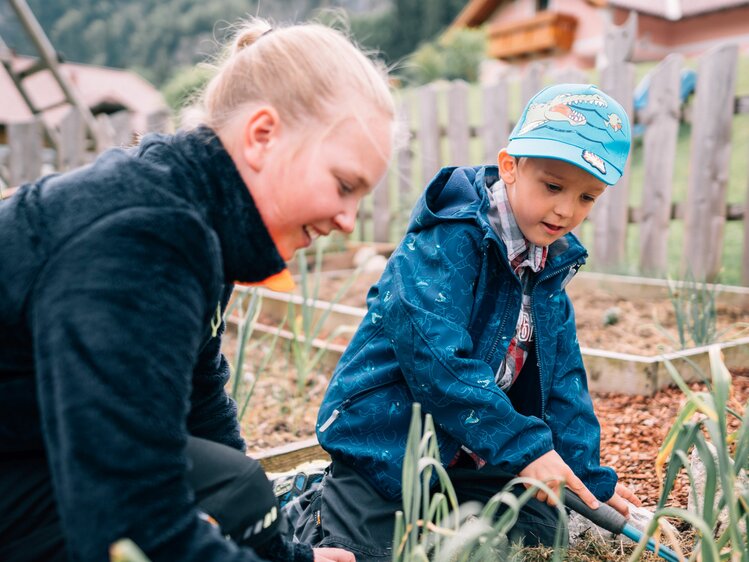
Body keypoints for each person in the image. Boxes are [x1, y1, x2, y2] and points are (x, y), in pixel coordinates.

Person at [0, 17, 394, 562]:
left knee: (236, 486)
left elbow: (200, 408)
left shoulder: (198, 215)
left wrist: (285, 554)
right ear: (263, 136)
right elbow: (129, 518)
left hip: (24, 443)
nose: (349, 220)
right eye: (344, 185)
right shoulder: (142, 240)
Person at [299, 83, 642, 559]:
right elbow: (436, 361)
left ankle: (438, 514)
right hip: (388, 443)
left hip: (472, 448)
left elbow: (563, 379)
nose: (567, 210)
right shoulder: (451, 240)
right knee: (362, 552)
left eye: (588, 197)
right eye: (553, 186)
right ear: (510, 167)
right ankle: (314, 502)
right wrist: (525, 446)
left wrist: (586, 477)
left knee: (544, 530)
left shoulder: (548, 264)